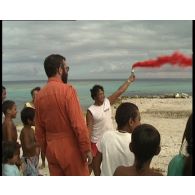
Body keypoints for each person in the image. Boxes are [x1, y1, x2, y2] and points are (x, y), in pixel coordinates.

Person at [35, 54, 92, 176]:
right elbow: (79, 125)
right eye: (66, 68)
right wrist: (86, 148)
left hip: (51, 149)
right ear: (59, 70)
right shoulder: (68, 91)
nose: (67, 71)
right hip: (71, 149)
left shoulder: (39, 96)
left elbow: (39, 130)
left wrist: (45, 150)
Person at [86, 71, 135, 173]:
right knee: (93, 166)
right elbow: (89, 130)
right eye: (100, 94)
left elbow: (120, 91)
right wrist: (87, 148)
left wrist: (129, 80)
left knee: (111, 163)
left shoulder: (107, 102)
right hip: (95, 143)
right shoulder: (91, 111)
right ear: (94, 97)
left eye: (103, 93)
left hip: (109, 140)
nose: (103, 96)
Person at [94, 102, 141, 176]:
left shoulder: (106, 136)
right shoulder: (136, 142)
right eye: (139, 119)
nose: (140, 123)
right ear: (131, 122)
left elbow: (96, 162)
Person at [24, 86, 46, 169]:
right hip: (31, 130)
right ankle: (33, 165)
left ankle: (43, 163)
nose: (35, 96)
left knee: (42, 148)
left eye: (37, 94)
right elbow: (24, 117)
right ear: (31, 95)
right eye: (34, 94)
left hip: (40, 129)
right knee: (34, 149)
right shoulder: (27, 105)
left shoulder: (42, 105)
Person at [20, 107, 40, 176]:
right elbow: (27, 146)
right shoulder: (24, 131)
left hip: (34, 158)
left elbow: (36, 142)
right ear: (29, 120)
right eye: (35, 118)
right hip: (27, 160)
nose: (37, 120)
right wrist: (37, 144)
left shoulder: (32, 130)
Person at [2, 100, 21, 168]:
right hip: (11, 156)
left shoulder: (6, 122)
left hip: (8, 154)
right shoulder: (9, 123)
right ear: (8, 111)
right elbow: (9, 142)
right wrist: (15, 157)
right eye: (15, 109)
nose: (17, 111)